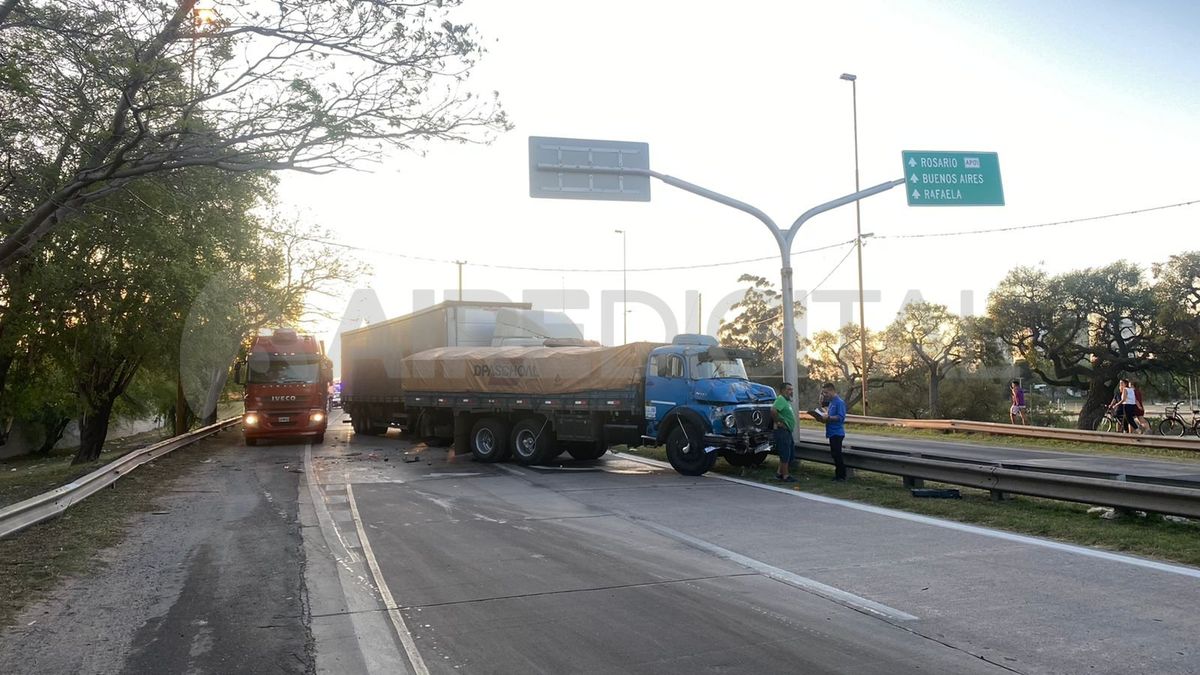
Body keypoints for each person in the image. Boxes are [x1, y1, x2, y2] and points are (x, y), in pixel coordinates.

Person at [819, 382, 848, 481]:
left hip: (837, 432)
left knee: (837, 454)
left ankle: (841, 476)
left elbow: (840, 417)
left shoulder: (839, 402)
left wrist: (829, 417)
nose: (825, 395)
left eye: (826, 393)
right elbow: (828, 414)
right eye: (823, 393)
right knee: (834, 454)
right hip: (831, 432)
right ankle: (838, 475)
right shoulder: (831, 402)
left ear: (832, 391)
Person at [771, 382, 797, 482]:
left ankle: (779, 473)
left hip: (787, 431)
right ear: (782, 390)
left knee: (790, 453)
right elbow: (773, 410)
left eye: (791, 389)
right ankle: (785, 476)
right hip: (782, 431)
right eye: (789, 389)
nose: (791, 391)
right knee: (785, 453)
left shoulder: (786, 401)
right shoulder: (780, 399)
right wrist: (778, 421)